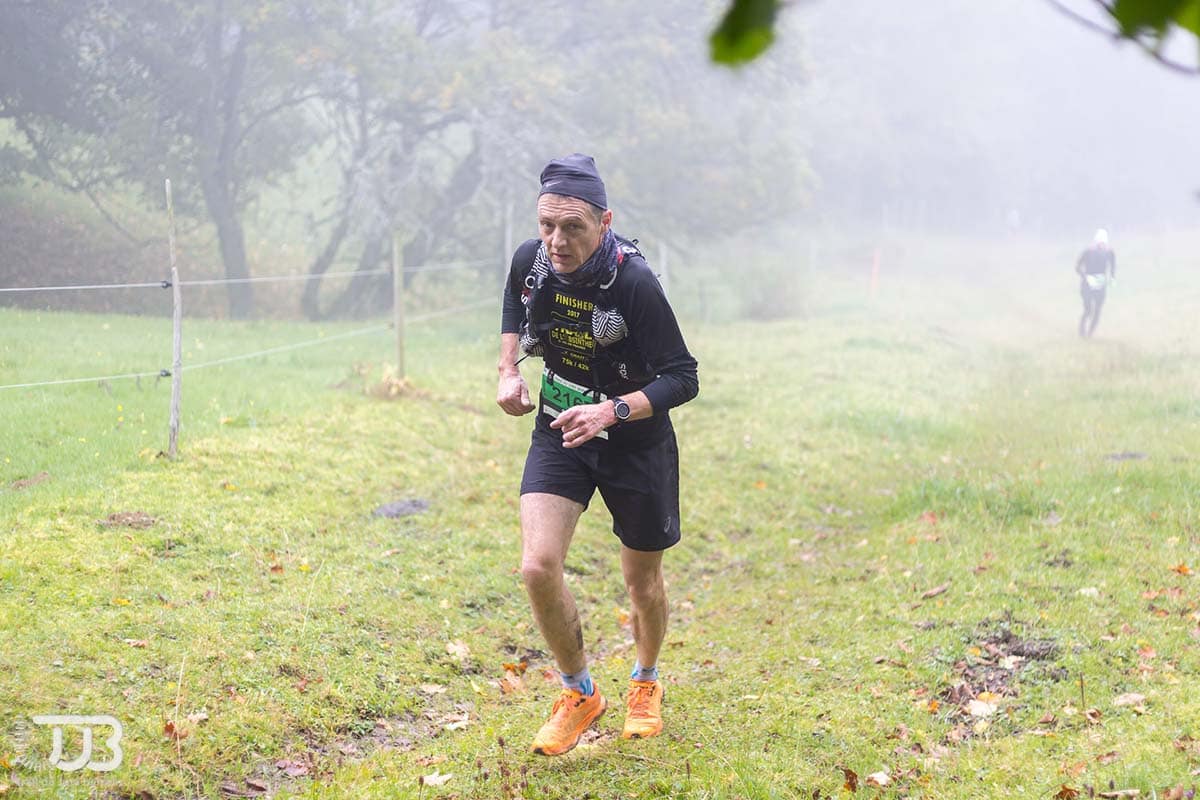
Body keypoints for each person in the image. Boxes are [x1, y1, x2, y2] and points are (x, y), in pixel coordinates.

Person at [496, 154, 699, 756]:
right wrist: (508, 370)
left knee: (642, 582)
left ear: (604, 222)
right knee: (537, 567)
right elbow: (512, 304)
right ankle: (579, 693)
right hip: (560, 429)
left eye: (573, 227)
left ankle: (645, 680)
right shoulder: (532, 261)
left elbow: (683, 377)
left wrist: (611, 411)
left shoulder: (634, 283)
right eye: (546, 225)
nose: (557, 241)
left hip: (635, 443)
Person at [1076, 228, 1116, 338]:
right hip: (1087, 284)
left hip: (1100, 284)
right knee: (1088, 309)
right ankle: (1082, 331)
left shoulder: (1110, 252)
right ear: (1096, 241)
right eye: (1099, 243)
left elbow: (1113, 267)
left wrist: (1112, 279)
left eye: (1103, 243)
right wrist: (1084, 276)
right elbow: (1078, 267)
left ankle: (1090, 333)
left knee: (1097, 310)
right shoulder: (1088, 252)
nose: (1101, 245)